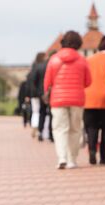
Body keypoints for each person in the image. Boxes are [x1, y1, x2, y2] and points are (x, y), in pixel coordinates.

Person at [44, 31, 92, 169]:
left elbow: (47, 83)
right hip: (77, 99)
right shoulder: (82, 60)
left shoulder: (54, 59)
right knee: (75, 129)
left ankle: (62, 158)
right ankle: (72, 160)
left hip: (58, 100)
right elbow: (88, 82)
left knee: (60, 129)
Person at [84, 35, 105, 165]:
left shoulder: (89, 59)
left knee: (92, 127)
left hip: (89, 97)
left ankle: (92, 151)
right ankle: (104, 157)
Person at [27, 52, 50, 141]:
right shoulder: (47, 66)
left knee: (38, 112)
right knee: (46, 113)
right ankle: (45, 132)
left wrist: (35, 93)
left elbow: (32, 82)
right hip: (46, 93)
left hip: (37, 94)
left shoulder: (35, 67)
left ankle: (37, 129)